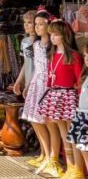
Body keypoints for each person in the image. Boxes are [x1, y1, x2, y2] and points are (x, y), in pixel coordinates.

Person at [37, 20, 83, 178]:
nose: (53, 38)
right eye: (51, 35)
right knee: (64, 133)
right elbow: (50, 78)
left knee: (72, 134)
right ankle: (70, 165)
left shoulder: (74, 56)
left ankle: (78, 168)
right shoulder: (52, 55)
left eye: (56, 34)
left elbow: (80, 80)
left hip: (69, 95)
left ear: (65, 35)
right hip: (55, 95)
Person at [21, 10, 52, 173]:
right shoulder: (34, 44)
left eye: (41, 24)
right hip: (36, 83)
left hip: (47, 85)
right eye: (36, 24)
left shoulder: (51, 46)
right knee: (34, 120)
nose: (37, 27)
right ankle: (45, 153)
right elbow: (33, 68)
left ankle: (50, 157)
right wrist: (27, 85)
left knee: (45, 122)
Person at [66, 46, 88, 179]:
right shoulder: (85, 75)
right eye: (85, 56)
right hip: (82, 115)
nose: (86, 59)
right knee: (83, 149)